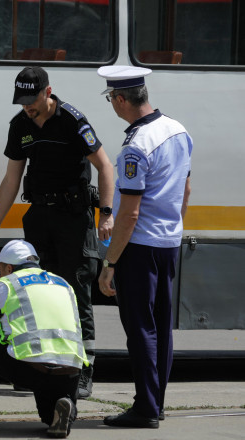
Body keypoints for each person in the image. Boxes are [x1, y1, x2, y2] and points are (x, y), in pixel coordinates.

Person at [0, 66, 114, 399]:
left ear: (47, 91)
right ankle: (42, 369)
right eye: (22, 101)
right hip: (40, 216)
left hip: (73, 218)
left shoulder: (72, 120)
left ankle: (84, 371)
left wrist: (106, 214)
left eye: (32, 100)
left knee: (76, 292)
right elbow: (12, 178)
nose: (27, 107)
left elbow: (106, 167)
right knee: (38, 293)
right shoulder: (20, 125)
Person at [96, 66, 192, 428]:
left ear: (121, 99)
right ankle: (157, 402)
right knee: (161, 326)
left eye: (111, 99)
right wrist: (172, 227)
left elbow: (129, 214)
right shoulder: (178, 131)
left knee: (140, 329)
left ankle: (146, 408)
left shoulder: (136, 146)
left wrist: (110, 262)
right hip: (168, 243)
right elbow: (185, 191)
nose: (112, 105)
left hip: (140, 247)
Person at [0, 239, 88, 439]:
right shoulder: (63, 284)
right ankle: (67, 405)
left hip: (29, 369)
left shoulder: (5, 284)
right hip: (70, 373)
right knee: (50, 418)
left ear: (8, 267)